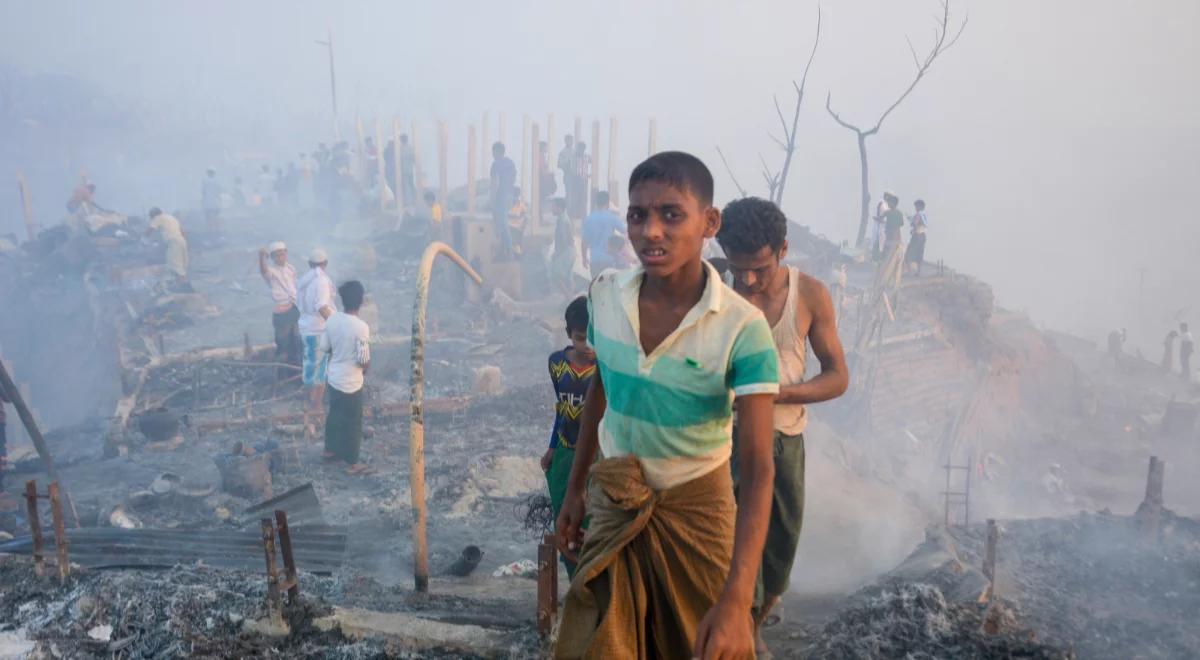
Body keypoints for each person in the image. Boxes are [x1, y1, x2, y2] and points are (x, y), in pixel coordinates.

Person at [555, 151, 780, 659]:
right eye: (638, 215)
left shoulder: (743, 328)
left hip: (697, 514)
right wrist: (575, 488)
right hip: (615, 503)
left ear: (709, 222)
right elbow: (602, 388)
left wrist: (737, 600)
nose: (651, 231)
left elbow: (760, 469)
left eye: (671, 214)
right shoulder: (605, 296)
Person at [717, 196, 850, 657]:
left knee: (778, 548)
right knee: (727, 541)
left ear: (784, 249)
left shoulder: (809, 295)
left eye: (760, 269)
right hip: (717, 437)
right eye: (739, 270)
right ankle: (735, 630)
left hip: (783, 436)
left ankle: (751, 621)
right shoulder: (711, 286)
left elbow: (837, 376)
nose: (749, 282)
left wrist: (772, 394)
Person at [543, 296, 596, 576]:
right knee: (564, 517)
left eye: (592, 339)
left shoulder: (605, 368)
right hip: (566, 451)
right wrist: (552, 447)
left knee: (592, 518)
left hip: (597, 453)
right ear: (568, 335)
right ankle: (575, 579)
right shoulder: (556, 365)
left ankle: (593, 580)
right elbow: (562, 410)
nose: (586, 346)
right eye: (579, 338)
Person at [321, 280, 372, 474]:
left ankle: (329, 450)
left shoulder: (332, 320)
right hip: (352, 381)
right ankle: (353, 462)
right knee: (353, 421)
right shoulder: (361, 327)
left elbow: (325, 347)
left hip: (334, 377)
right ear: (360, 301)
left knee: (335, 414)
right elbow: (363, 359)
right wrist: (366, 369)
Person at [297, 248, 335, 412]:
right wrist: (336, 323)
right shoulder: (321, 281)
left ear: (309, 264)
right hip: (319, 328)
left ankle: (309, 399)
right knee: (320, 368)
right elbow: (321, 305)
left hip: (306, 327)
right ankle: (316, 406)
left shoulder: (304, 280)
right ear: (325, 263)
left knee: (310, 364)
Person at [259, 242, 300, 367]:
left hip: (294, 308)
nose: (280, 257)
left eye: (282, 254)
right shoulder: (271, 272)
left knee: (296, 341)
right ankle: (283, 373)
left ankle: (295, 370)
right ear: (272, 258)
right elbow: (263, 271)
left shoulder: (291, 269)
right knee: (283, 345)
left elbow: (295, 286)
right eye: (277, 256)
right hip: (282, 314)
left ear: (286, 253)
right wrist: (261, 258)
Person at [580, 191, 624, 278]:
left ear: (596, 203)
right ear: (607, 203)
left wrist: (584, 259)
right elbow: (626, 231)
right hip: (609, 260)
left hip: (595, 260)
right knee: (609, 288)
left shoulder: (589, 219)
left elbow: (584, 242)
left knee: (596, 288)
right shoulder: (612, 218)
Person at [489, 142, 518, 260]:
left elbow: (494, 182)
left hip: (501, 195)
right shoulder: (510, 162)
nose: (492, 154)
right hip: (510, 195)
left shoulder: (496, 164)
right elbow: (514, 178)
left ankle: (509, 250)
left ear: (497, 152)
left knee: (501, 223)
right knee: (503, 222)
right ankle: (506, 249)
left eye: (493, 151)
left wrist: (492, 199)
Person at [146, 207, 189, 282]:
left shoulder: (157, 218)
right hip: (182, 240)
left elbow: (150, 230)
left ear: (153, 215)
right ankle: (180, 283)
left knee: (175, 265)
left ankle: (183, 285)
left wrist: (142, 238)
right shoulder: (171, 217)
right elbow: (182, 231)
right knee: (181, 264)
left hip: (174, 242)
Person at [550, 197, 577, 295]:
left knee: (556, 276)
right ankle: (570, 299)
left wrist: (556, 254)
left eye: (553, 206)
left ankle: (569, 297)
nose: (551, 209)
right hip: (570, 250)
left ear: (559, 207)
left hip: (566, 251)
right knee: (568, 278)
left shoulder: (563, 220)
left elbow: (565, 241)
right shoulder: (563, 218)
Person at [906, 199, 929, 274]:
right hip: (923, 236)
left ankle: (909, 271)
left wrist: (912, 229)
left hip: (917, 235)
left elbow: (915, 223)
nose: (915, 208)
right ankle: (918, 271)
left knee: (909, 253)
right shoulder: (924, 214)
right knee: (919, 253)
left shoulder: (919, 214)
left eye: (916, 206)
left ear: (919, 206)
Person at [569, 141, 591, 219]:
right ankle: (574, 214)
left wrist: (588, 174)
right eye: (580, 148)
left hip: (584, 180)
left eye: (583, 148)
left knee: (583, 197)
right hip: (576, 180)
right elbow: (571, 169)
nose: (581, 150)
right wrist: (576, 176)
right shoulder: (573, 157)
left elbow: (592, 162)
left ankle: (582, 214)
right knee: (575, 197)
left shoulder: (587, 156)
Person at [881, 192, 904, 259]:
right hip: (897, 234)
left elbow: (880, 218)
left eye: (889, 202)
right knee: (895, 251)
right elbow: (901, 224)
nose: (888, 204)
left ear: (893, 203)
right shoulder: (900, 213)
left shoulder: (887, 212)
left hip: (890, 234)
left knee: (887, 251)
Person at [558, 135, 576, 205]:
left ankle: (573, 210)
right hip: (568, 176)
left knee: (574, 193)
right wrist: (566, 164)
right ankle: (568, 210)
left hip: (575, 176)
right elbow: (559, 164)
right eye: (569, 140)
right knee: (569, 193)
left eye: (571, 140)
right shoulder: (563, 152)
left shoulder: (574, 151)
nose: (570, 142)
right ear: (565, 141)